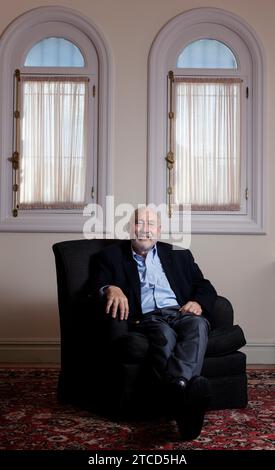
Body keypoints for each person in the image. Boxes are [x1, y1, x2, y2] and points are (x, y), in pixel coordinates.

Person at [92, 206, 217, 440]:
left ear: (159, 230)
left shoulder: (179, 254)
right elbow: (94, 284)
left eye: (151, 224)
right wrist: (111, 287)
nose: (145, 229)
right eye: (140, 223)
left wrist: (197, 302)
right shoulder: (110, 256)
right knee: (163, 335)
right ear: (130, 228)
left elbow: (205, 285)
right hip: (148, 317)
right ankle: (187, 404)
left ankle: (177, 389)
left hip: (181, 312)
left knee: (198, 325)